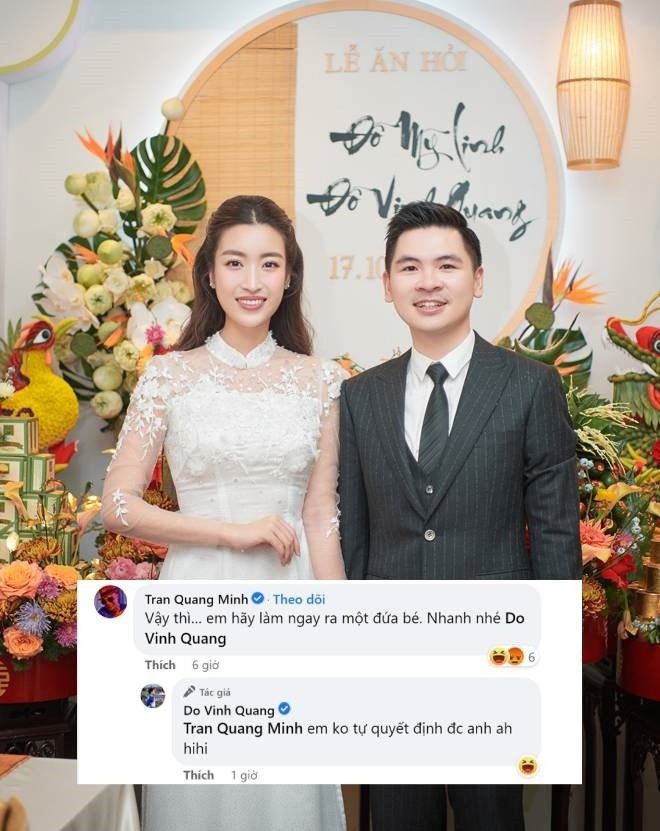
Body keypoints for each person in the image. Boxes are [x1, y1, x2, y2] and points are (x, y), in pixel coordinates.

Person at [101, 195, 347, 831]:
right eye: (235, 262)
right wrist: (231, 534)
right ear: (209, 273)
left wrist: (342, 626)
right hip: (197, 597)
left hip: (291, 601)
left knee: (284, 785)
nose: (252, 280)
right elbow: (118, 505)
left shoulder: (322, 380)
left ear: (290, 276)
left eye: (269, 264)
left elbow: (321, 515)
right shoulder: (168, 377)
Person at [339, 201, 581, 831]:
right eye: (409, 267)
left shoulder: (529, 386)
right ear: (387, 283)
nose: (428, 282)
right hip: (390, 659)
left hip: (496, 657)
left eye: (446, 266)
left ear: (477, 279)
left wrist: (554, 659)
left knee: (491, 818)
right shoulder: (360, 396)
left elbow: (554, 527)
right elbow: (355, 533)